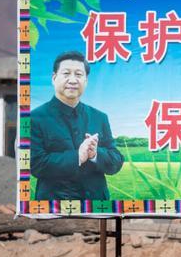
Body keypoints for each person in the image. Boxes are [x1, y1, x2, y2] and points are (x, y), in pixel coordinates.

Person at [29, 50, 124, 201]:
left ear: (86, 81)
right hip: (54, 207)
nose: (72, 80)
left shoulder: (99, 117)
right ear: (54, 78)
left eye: (79, 75)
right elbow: (36, 164)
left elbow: (116, 161)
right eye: (66, 74)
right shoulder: (35, 118)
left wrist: (95, 154)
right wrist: (77, 157)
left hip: (96, 206)